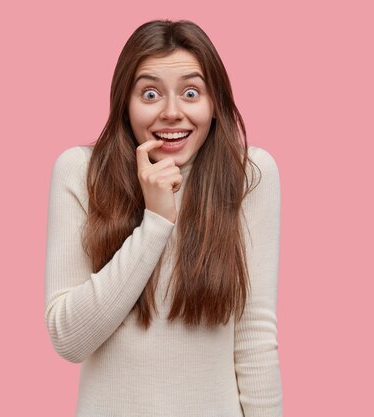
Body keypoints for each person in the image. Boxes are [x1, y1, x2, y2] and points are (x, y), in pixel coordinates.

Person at [44, 19, 283, 417]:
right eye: (150, 93)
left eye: (191, 92)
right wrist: (154, 222)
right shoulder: (80, 172)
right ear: (125, 102)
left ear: (214, 104)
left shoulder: (250, 175)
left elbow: (254, 337)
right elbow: (69, 339)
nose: (172, 113)